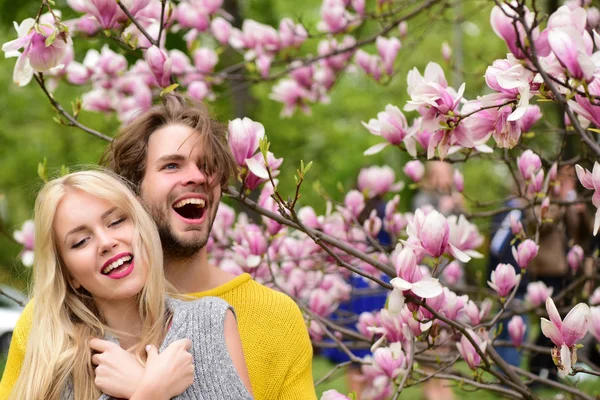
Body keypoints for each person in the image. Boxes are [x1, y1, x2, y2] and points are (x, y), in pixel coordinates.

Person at [0, 94, 316, 400]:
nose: (197, 176)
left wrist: (144, 388)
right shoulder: (50, 327)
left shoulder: (272, 317)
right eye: (171, 166)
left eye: (207, 165)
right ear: (132, 195)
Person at [6, 170, 252, 399]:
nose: (106, 242)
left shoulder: (211, 321)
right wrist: (150, 393)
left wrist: (140, 387)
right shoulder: (59, 363)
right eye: (81, 241)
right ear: (70, 275)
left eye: (116, 222)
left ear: (141, 226)